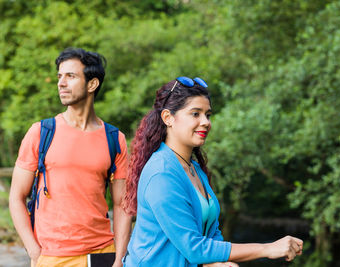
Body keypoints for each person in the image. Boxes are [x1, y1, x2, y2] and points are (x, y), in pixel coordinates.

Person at [122, 77, 303, 266]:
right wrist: (267, 248)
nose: (206, 122)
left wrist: (215, 263)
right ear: (168, 118)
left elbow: (211, 233)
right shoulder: (162, 174)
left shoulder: (194, 168)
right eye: (195, 114)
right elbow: (194, 248)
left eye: (208, 115)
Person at [9, 48, 131, 267]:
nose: (61, 83)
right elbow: (16, 196)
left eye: (70, 76)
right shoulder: (41, 132)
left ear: (92, 84)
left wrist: (120, 257)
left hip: (102, 253)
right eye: (59, 76)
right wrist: (34, 251)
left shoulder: (114, 139)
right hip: (52, 255)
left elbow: (123, 205)